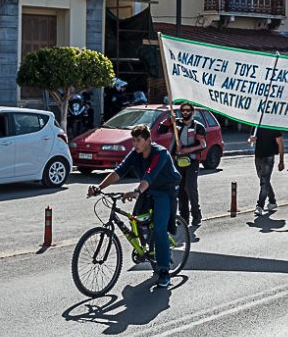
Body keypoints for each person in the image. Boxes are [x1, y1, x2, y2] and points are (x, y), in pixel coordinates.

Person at [88, 124, 180, 289]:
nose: (135, 144)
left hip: (164, 191)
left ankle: (164, 270)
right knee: (136, 220)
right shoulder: (135, 154)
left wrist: (137, 191)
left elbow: (150, 174)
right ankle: (148, 248)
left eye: (138, 140)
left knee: (159, 228)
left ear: (148, 140)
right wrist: (99, 187)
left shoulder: (160, 153)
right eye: (133, 140)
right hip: (147, 190)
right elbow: (119, 171)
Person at [163, 103, 206, 231]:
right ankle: (184, 217)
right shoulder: (176, 124)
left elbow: (202, 145)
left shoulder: (198, 127)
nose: (185, 112)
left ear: (192, 112)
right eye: (183, 110)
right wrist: (168, 121)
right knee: (180, 189)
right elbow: (161, 130)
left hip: (192, 161)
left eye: (188, 110)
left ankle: (196, 215)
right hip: (178, 161)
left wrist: (186, 150)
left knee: (190, 187)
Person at [248, 126, 284, 216]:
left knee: (264, 182)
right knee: (264, 180)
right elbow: (250, 139)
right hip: (258, 157)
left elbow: (280, 143)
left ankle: (260, 206)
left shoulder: (274, 127)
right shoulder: (257, 125)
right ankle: (272, 201)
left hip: (269, 158)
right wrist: (250, 140)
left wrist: (281, 161)